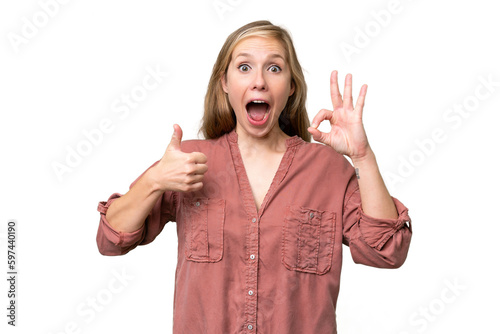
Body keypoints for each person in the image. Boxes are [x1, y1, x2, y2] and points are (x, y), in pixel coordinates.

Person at [96, 20, 412, 334]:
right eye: (244, 67)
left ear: (291, 86)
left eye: (274, 69)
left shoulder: (328, 169)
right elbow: (111, 238)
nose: (259, 81)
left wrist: (362, 156)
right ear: (224, 82)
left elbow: (386, 250)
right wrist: (154, 181)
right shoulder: (188, 160)